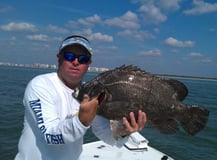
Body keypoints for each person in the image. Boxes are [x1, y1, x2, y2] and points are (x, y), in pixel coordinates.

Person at [15, 35, 147, 160]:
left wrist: (123, 131)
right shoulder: (40, 85)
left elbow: (104, 132)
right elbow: (50, 135)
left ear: (89, 63)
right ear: (58, 57)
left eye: (82, 59)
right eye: (69, 56)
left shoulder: (91, 92)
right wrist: (81, 121)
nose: (76, 62)